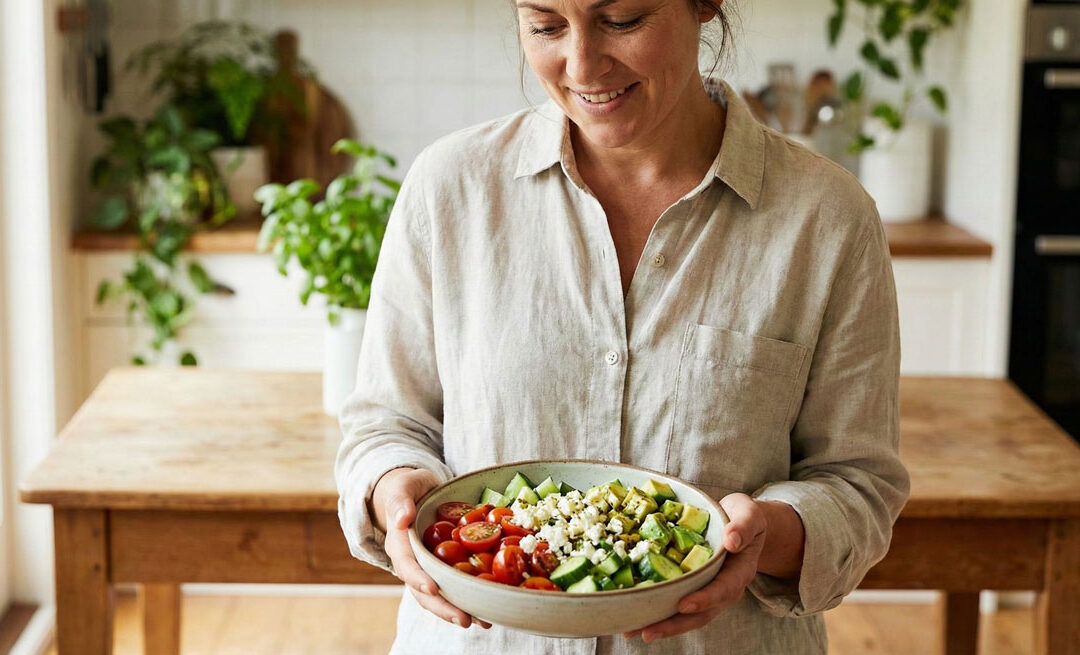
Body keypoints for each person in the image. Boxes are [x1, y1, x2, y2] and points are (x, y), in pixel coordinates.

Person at [335, 0, 910, 652]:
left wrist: (768, 534)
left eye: (623, 19)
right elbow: (383, 426)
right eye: (546, 25)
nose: (582, 64)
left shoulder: (826, 217)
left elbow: (859, 484)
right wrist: (392, 491)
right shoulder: (451, 187)